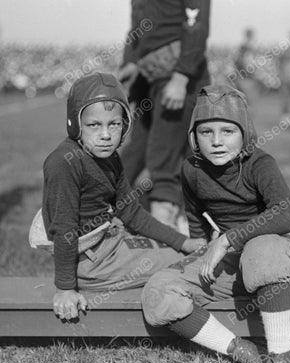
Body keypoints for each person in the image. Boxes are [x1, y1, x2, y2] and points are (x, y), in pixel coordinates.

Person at [141, 85, 290, 363]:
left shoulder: (260, 164)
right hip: (234, 256)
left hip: (281, 247)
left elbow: (287, 215)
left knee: (261, 251)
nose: (217, 141)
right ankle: (240, 349)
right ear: (194, 136)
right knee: (158, 291)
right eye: (206, 132)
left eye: (227, 131)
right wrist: (203, 245)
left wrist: (228, 239)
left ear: (244, 133)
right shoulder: (192, 170)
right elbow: (195, 214)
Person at [41, 73, 205, 320]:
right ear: (75, 124)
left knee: (181, 252)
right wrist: (65, 288)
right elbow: (64, 228)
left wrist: (183, 241)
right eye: (94, 125)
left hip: (110, 243)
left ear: (125, 124)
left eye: (114, 124)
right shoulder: (64, 163)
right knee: (182, 264)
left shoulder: (111, 157)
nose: (106, 135)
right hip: (91, 261)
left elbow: (131, 212)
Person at [118, 0, 210, 229]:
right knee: (134, 153)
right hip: (149, 79)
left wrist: (181, 77)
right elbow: (136, 28)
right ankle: (103, 215)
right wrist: (129, 61)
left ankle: (167, 235)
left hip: (177, 80)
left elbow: (196, 25)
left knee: (164, 160)